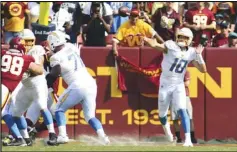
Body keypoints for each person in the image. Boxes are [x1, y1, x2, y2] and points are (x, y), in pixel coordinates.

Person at [144, 27, 207, 147]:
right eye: (181, 36)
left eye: (185, 37)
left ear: (190, 40)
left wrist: (199, 55)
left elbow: (203, 70)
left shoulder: (192, 52)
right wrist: (147, 39)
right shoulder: (171, 46)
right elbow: (156, 45)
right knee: (162, 114)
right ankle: (168, 133)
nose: (182, 39)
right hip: (165, 84)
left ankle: (188, 140)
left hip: (178, 84)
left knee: (183, 109)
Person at [46, 30, 110, 145]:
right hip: (90, 83)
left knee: (58, 109)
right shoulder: (71, 46)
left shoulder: (55, 57)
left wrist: (48, 78)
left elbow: (56, 72)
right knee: (90, 116)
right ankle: (104, 137)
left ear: (52, 42)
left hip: (78, 85)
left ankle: (62, 136)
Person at [9, 29, 58, 146]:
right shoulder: (17, 52)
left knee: (42, 106)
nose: (28, 44)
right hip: (25, 86)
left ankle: (52, 135)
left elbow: (39, 67)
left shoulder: (37, 49)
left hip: (38, 84)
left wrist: (26, 71)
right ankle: (26, 139)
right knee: (16, 112)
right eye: (26, 41)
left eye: (31, 41)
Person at [1, 37, 43, 146]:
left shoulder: (3, 53)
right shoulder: (26, 58)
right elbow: (39, 71)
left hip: (4, 87)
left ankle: (20, 138)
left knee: (8, 113)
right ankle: (25, 139)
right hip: (16, 88)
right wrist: (40, 60)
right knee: (13, 114)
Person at [171, 70, 197, 144]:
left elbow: (187, 83)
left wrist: (175, 84)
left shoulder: (185, 71)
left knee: (189, 117)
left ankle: (192, 137)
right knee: (175, 118)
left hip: (184, 96)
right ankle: (178, 138)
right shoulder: (170, 72)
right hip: (173, 96)